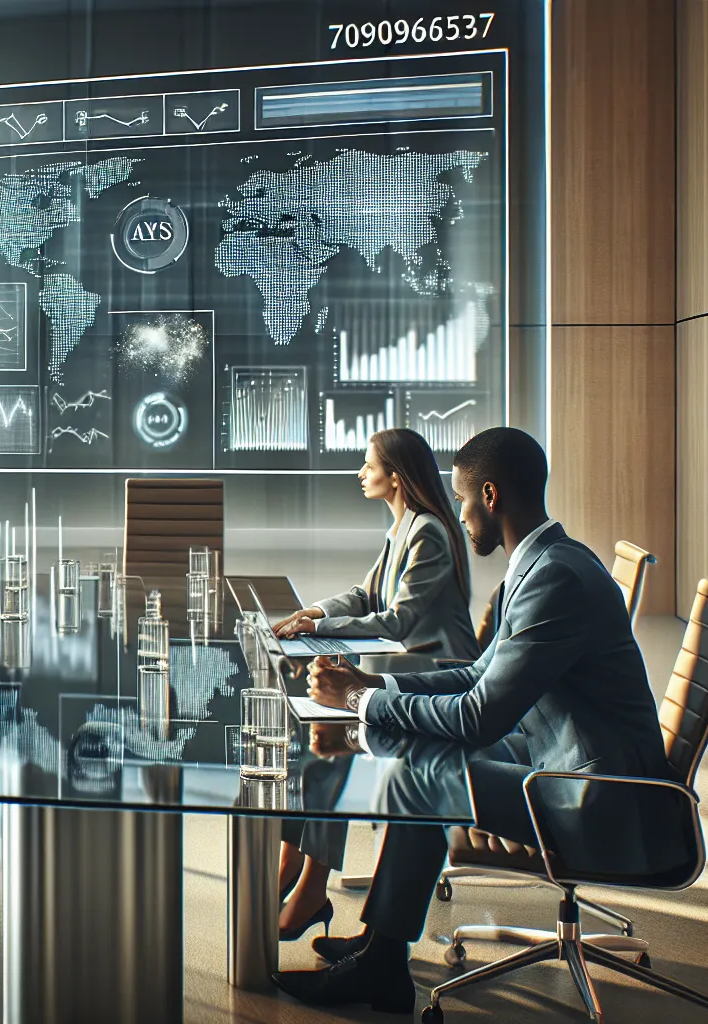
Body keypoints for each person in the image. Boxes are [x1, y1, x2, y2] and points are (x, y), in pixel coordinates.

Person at [272, 428, 672, 1014]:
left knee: (422, 777)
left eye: (462, 499)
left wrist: (359, 700)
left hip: (596, 798)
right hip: (557, 759)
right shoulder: (544, 563)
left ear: (490, 495)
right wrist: (376, 688)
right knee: (418, 760)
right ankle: (381, 948)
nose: (458, 515)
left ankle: (382, 964)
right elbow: (477, 673)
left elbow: (479, 716)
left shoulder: (554, 578)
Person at [267, 429, 479, 941]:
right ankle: (293, 865)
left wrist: (320, 628)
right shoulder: (403, 526)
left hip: (437, 677)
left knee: (330, 745)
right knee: (314, 735)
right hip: (409, 667)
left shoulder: (428, 532)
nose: (361, 473)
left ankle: (310, 886)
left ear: (396, 476)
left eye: (369, 465)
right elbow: (366, 596)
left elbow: (399, 620)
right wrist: (314, 612)